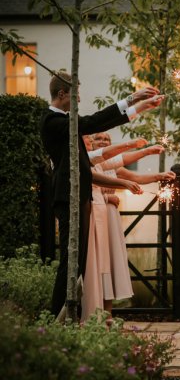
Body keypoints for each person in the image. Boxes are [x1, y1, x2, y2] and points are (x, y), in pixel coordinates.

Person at [40, 71, 164, 317]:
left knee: (78, 263)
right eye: (75, 94)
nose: (78, 99)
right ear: (62, 93)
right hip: (69, 199)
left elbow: (94, 160)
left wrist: (139, 106)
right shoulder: (52, 122)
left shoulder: (64, 123)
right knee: (71, 262)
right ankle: (57, 319)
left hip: (80, 197)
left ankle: (70, 318)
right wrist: (132, 101)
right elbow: (92, 122)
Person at [91, 132, 176, 309]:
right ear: (91, 142)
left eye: (106, 139)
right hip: (95, 213)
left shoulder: (111, 165)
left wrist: (158, 176)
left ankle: (107, 315)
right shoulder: (89, 161)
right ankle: (94, 311)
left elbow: (136, 178)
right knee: (98, 262)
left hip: (111, 216)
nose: (103, 142)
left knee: (112, 262)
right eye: (98, 139)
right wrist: (108, 198)